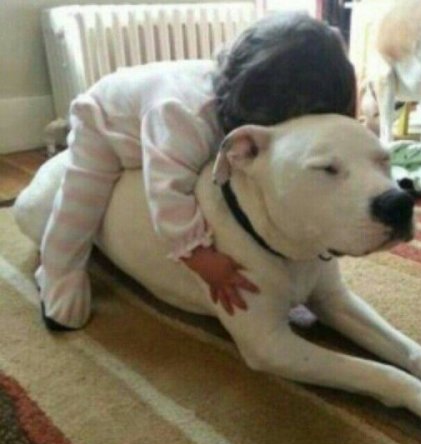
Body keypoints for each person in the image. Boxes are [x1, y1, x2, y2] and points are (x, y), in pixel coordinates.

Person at [37, 12, 357, 331]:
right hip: (105, 121)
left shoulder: (239, 105)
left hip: (157, 110)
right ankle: (57, 274)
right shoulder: (182, 119)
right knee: (80, 203)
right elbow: (167, 195)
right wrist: (201, 259)